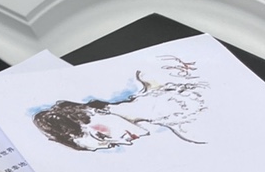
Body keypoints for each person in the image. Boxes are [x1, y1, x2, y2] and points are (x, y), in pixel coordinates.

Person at [33, 56, 208, 151]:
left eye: (102, 136)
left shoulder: (152, 73)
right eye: (113, 144)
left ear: (90, 112)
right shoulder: (193, 134)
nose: (126, 142)